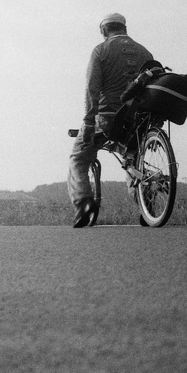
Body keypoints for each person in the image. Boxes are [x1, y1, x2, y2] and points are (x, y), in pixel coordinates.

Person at [67, 13, 153, 228]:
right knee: (132, 158)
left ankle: (84, 203)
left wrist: (88, 122)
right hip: (137, 119)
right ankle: (148, 207)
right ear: (124, 28)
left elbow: (91, 88)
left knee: (79, 155)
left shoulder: (101, 50)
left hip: (107, 118)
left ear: (104, 31)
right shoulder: (145, 52)